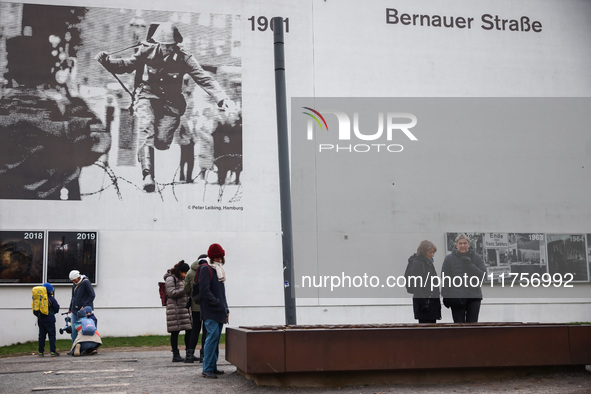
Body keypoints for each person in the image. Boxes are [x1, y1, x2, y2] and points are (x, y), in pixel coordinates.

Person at [96, 22, 235, 192]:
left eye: (171, 46)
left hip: (171, 104)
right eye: (164, 45)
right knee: (146, 129)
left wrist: (222, 98)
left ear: (176, 44)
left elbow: (204, 78)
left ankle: (154, 152)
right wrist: (108, 61)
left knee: (161, 142)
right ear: (158, 43)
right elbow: (127, 65)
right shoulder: (147, 51)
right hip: (147, 96)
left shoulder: (184, 58)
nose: (167, 49)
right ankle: (148, 175)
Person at [441, 234, 487, 323]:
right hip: (456, 297)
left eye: (465, 243)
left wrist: (470, 265)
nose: (462, 245)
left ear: (469, 244)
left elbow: (483, 275)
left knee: (472, 327)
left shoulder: (476, 257)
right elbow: (445, 278)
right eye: (460, 243)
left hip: (474, 296)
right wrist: (445, 295)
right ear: (456, 245)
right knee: (459, 327)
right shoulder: (449, 258)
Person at [199, 243, 229, 379]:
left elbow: (222, 293)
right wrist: (216, 303)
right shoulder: (206, 269)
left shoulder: (219, 270)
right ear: (211, 256)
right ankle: (207, 368)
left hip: (219, 310)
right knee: (211, 338)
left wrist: (225, 307)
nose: (218, 259)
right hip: (211, 310)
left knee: (215, 339)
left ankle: (212, 366)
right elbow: (204, 291)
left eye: (220, 257)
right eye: (216, 257)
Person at [164, 260, 192, 362]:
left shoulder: (182, 279)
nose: (185, 275)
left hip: (184, 309)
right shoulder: (170, 278)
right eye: (184, 273)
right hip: (174, 309)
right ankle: (175, 355)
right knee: (175, 332)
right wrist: (185, 289)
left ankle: (189, 353)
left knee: (189, 330)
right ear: (180, 271)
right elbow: (171, 293)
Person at [407, 240, 441, 324]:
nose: (432, 255)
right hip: (425, 304)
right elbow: (417, 285)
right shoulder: (418, 264)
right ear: (424, 252)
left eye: (433, 252)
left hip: (431, 302)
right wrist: (425, 303)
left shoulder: (428, 263)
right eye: (430, 252)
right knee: (426, 332)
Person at [183, 254, 208, 363]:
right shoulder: (208, 269)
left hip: (195, 304)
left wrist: (191, 295)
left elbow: (186, 288)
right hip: (206, 304)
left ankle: (189, 354)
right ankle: (203, 354)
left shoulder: (190, 272)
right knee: (206, 330)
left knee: (195, 329)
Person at [68, 270, 95, 342]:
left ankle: (86, 345)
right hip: (74, 310)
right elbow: (73, 297)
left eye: (74, 280)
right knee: (74, 329)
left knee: (85, 328)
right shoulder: (75, 284)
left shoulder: (86, 282)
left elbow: (92, 295)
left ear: (78, 277)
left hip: (83, 311)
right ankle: (74, 345)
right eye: (72, 281)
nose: (74, 282)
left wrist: (85, 306)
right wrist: (70, 307)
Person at [37, 282, 60, 357]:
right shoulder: (51, 299)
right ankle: (53, 352)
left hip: (40, 319)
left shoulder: (38, 298)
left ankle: (41, 352)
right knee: (52, 335)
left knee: (42, 335)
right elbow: (56, 308)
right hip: (50, 318)